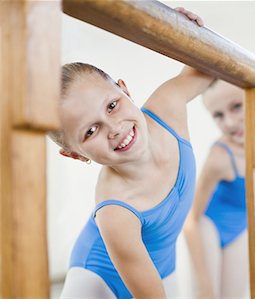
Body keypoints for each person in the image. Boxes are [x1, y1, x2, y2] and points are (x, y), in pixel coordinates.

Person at [50, 8, 214, 299]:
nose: (114, 128)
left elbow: (207, 66)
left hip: (163, 266)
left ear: (124, 89)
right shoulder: (115, 211)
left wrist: (183, 31)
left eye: (112, 105)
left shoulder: (167, 107)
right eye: (90, 131)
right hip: (95, 282)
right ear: (76, 155)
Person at [183, 80, 255, 298]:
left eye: (236, 106)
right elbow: (192, 220)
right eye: (217, 115)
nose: (229, 122)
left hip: (240, 227)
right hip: (209, 226)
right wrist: (204, 285)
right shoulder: (220, 157)